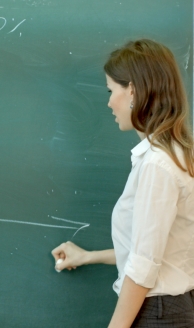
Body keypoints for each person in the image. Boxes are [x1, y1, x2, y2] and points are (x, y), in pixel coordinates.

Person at [51, 39, 194, 328]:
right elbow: (157, 251)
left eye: (110, 90)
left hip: (156, 313)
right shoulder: (176, 156)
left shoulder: (157, 164)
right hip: (170, 308)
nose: (108, 102)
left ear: (133, 90)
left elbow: (144, 265)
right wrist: (89, 256)